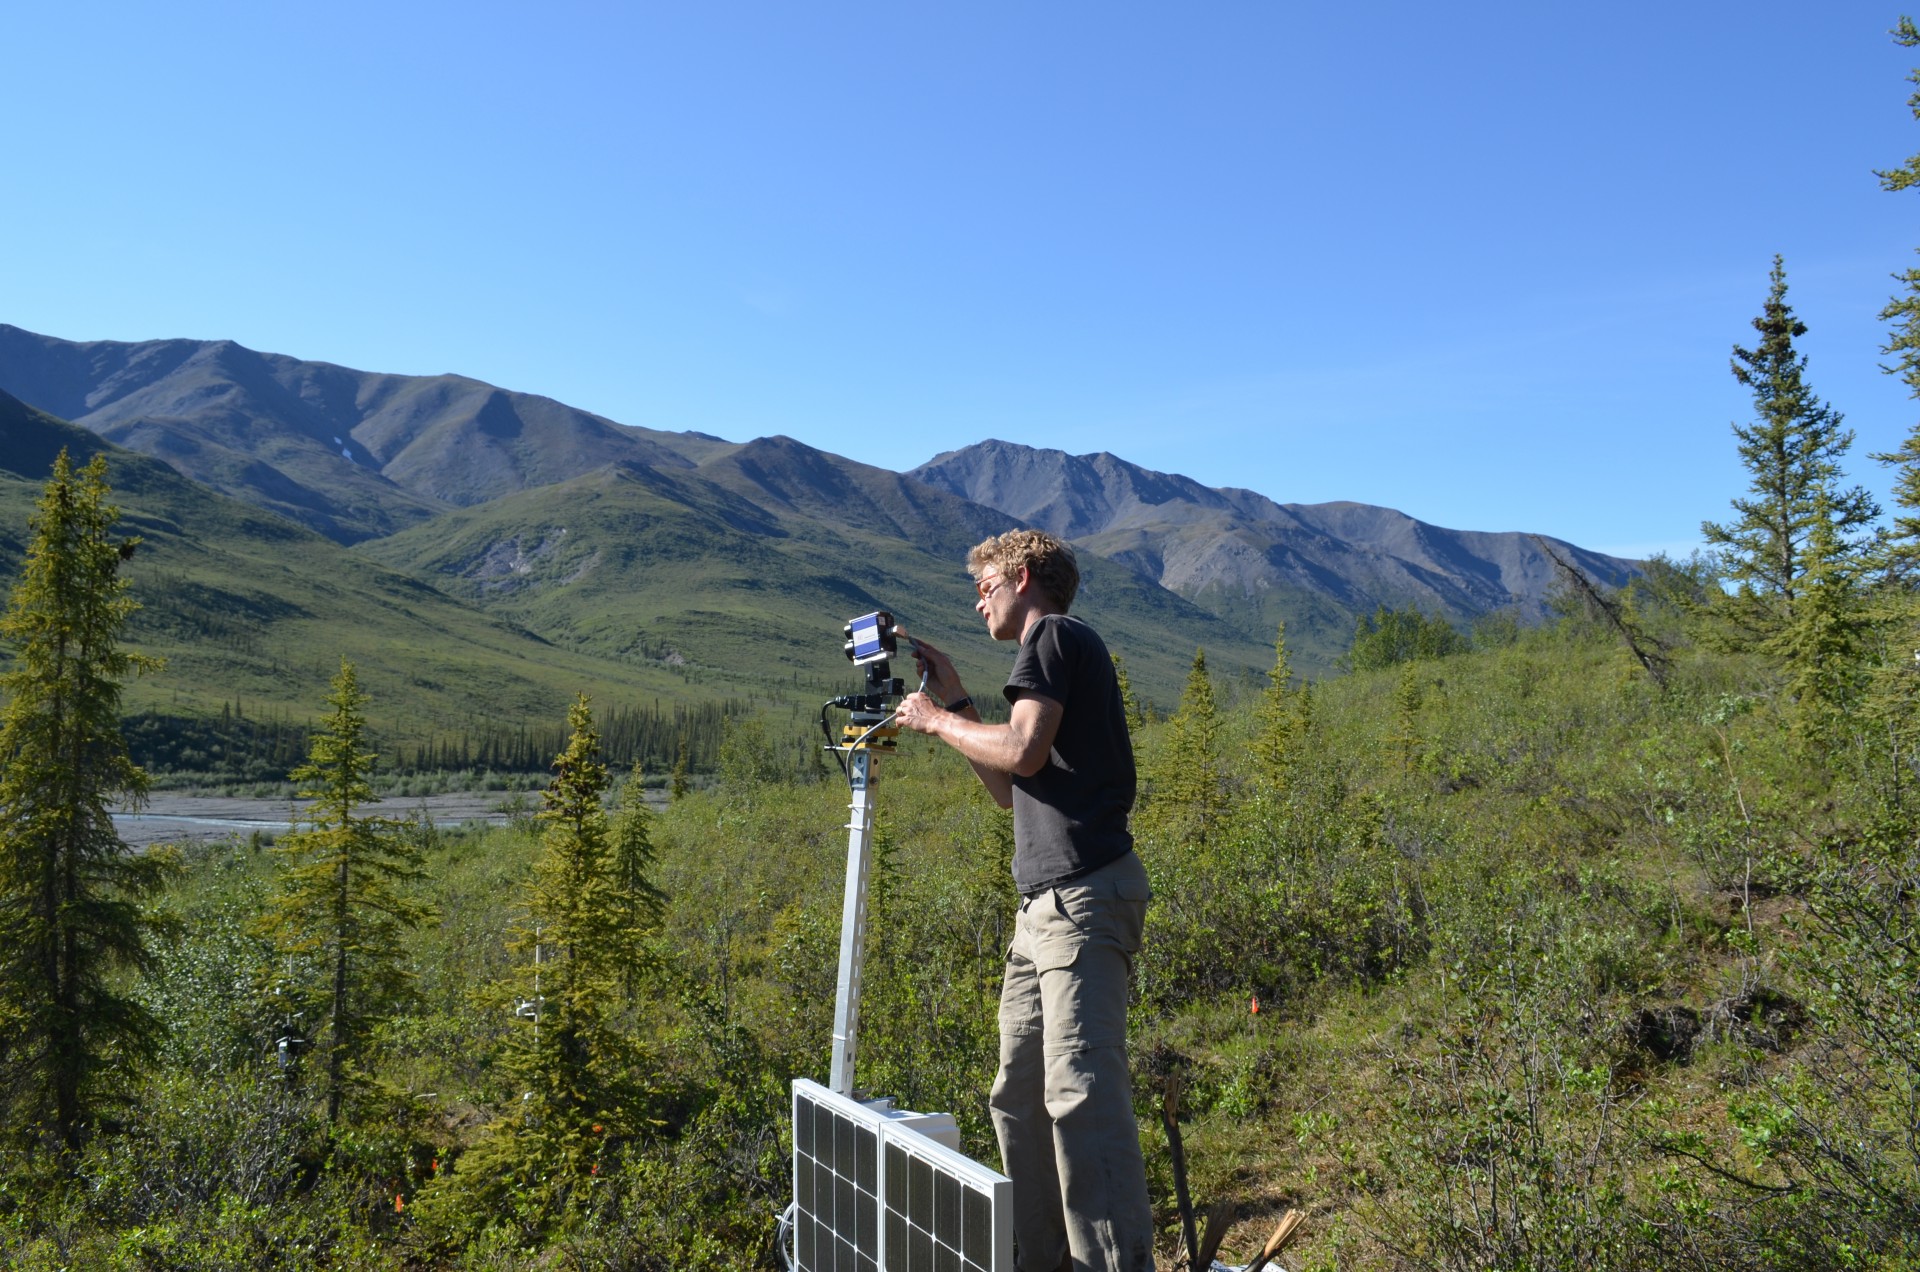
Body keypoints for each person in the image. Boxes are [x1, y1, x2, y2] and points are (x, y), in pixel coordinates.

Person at [895, 529, 1155, 1272]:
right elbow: (1015, 788)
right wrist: (954, 700)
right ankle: (1046, 1260)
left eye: (984, 586)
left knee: (1081, 1092)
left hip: (1081, 898)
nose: (979, 601)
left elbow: (1024, 749)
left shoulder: (1053, 636)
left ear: (1024, 575)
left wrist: (935, 720)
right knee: (1019, 1094)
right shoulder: (1054, 649)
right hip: (1043, 907)